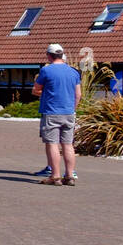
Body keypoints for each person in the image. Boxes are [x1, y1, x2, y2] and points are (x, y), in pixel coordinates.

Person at [33, 43, 81, 185]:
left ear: (49, 55)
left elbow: (36, 88)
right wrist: (73, 108)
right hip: (69, 112)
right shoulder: (74, 72)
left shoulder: (46, 71)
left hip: (52, 112)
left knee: (52, 144)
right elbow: (78, 94)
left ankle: (55, 176)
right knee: (68, 144)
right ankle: (70, 175)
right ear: (61, 55)